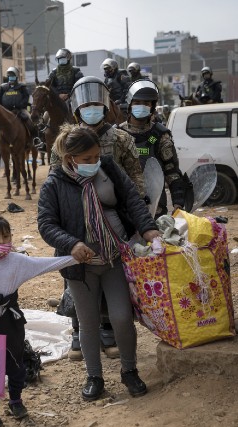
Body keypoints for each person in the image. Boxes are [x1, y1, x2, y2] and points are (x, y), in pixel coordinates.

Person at [37, 124, 160, 401]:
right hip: (80, 266)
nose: (94, 162)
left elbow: (131, 199)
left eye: (96, 156)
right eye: (87, 159)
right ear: (71, 159)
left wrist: (148, 227)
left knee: (121, 318)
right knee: (88, 322)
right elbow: (46, 224)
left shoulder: (109, 168)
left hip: (115, 257)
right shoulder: (55, 184)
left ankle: (129, 371)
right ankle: (94, 376)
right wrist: (72, 243)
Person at [49, 76, 146, 361]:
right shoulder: (65, 141)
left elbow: (134, 174)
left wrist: (138, 208)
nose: (92, 109)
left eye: (96, 104)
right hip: (76, 224)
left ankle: (109, 332)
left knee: (115, 289)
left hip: (113, 224)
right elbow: (58, 179)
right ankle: (79, 331)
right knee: (76, 282)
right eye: (86, 104)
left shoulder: (120, 137)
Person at [0, 214, 78, 427]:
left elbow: (48, 264)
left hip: (12, 322)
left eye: (6, 237)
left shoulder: (18, 261)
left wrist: (77, 257)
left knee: (16, 365)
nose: (2, 243)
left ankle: (15, 400)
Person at [119, 79, 191, 217]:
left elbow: (172, 171)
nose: (142, 106)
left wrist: (178, 203)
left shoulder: (159, 135)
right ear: (129, 104)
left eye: (146, 103)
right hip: (124, 207)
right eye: (137, 102)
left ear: (152, 107)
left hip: (154, 208)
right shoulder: (117, 134)